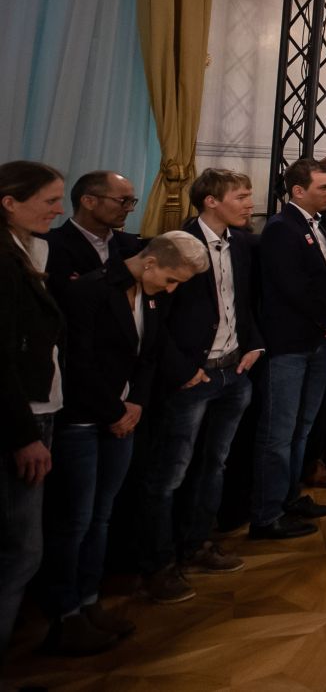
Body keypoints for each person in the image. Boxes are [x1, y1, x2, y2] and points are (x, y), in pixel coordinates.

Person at [40, 232, 204, 654]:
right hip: (82, 418)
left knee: (101, 516)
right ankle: (64, 612)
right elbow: (76, 361)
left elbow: (148, 355)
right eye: (170, 279)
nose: (172, 290)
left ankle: (89, 601)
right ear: (149, 264)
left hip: (125, 415)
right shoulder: (90, 292)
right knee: (72, 521)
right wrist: (114, 411)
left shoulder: (151, 295)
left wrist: (135, 405)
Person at [136, 168, 260, 605]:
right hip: (193, 376)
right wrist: (180, 369)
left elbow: (246, 301)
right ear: (211, 200)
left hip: (234, 370)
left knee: (215, 464)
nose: (250, 203)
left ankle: (197, 543)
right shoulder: (175, 241)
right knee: (169, 473)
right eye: (242, 196)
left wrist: (254, 344)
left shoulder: (244, 242)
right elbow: (155, 316)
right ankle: (158, 563)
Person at [250, 156, 326, 540]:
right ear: (297, 191)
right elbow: (292, 287)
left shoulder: (320, 223)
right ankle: (267, 512)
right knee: (278, 432)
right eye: (323, 188)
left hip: (319, 339)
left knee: (303, 427)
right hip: (290, 342)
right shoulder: (281, 228)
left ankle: (290, 497)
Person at [0, 161, 66, 667]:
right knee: (20, 552)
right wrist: (25, 434)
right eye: (48, 200)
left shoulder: (25, 250)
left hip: (29, 414)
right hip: (17, 421)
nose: (57, 209)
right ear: (10, 202)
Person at [44, 170, 142, 298]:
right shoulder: (48, 244)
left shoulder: (133, 245)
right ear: (89, 201)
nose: (130, 208)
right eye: (123, 200)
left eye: (132, 201)